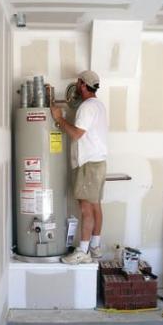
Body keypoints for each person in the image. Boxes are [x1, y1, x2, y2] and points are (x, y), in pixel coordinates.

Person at [51, 70, 108, 264]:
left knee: (85, 208)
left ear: (83, 85)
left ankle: (83, 251)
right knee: (95, 205)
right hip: (98, 162)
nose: (76, 85)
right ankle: (95, 246)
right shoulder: (98, 105)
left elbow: (76, 134)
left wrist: (58, 118)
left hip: (87, 164)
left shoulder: (86, 108)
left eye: (78, 83)